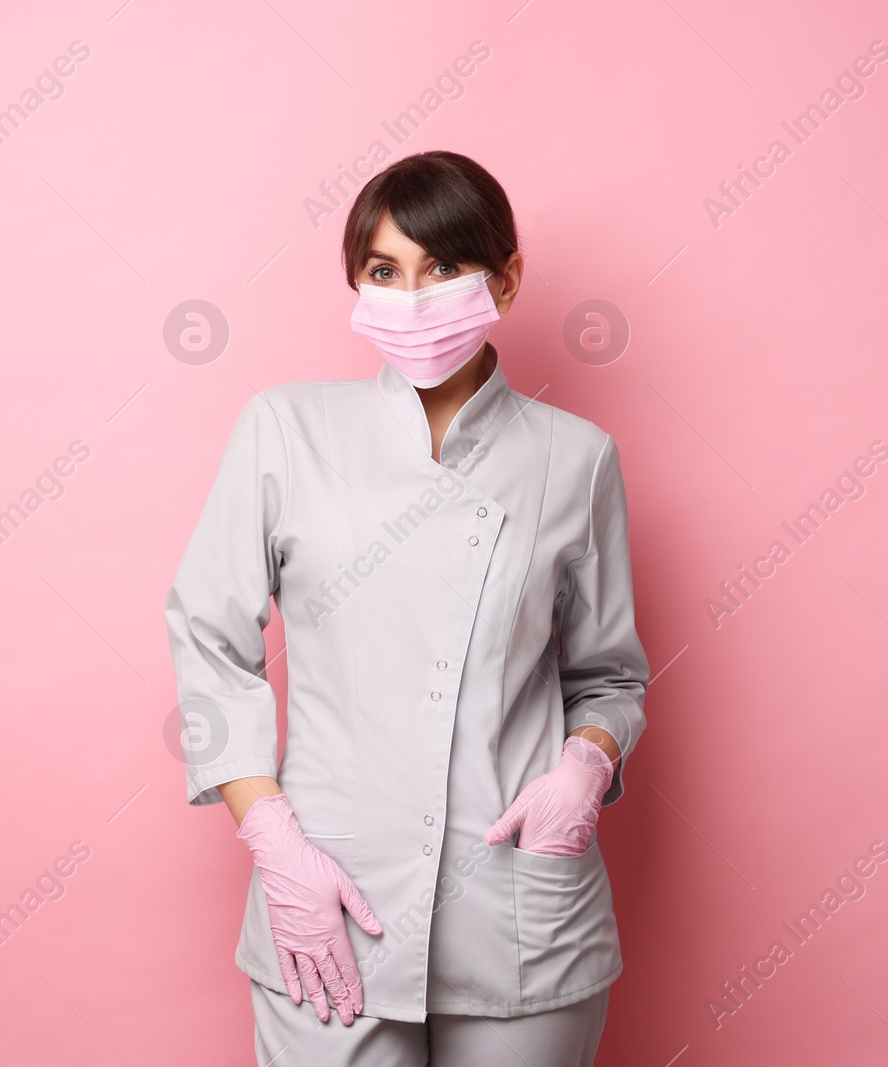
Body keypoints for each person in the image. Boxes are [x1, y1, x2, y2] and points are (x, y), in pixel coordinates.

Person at [165, 150, 648, 1067]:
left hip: (519, 905)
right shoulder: (287, 430)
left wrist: (585, 768)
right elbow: (206, 638)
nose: (413, 296)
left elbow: (609, 676)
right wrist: (272, 837)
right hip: (334, 894)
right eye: (386, 271)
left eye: (444, 268)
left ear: (504, 278)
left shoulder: (576, 459)